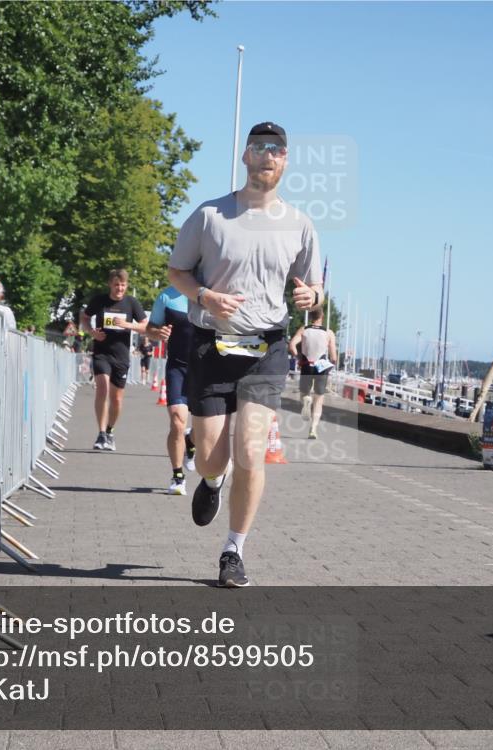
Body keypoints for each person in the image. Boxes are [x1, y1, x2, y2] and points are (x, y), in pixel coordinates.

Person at [168, 121, 323, 587]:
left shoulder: (300, 224)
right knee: (214, 457)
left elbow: (315, 288)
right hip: (211, 345)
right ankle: (211, 481)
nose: (267, 156)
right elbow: (177, 272)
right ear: (245, 157)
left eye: (276, 149)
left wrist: (310, 299)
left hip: (266, 348)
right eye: (259, 148)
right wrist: (206, 298)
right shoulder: (210, 216)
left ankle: (233, 550)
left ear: (285, 161)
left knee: (251, 452)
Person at [81, 269, 147, 451]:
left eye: (123, 285)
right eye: (117, 284)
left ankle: (110, 431)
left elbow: (145, 326)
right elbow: (85, 317)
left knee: (116, 399)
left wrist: (127, 325)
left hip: (121, 356)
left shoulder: (131, 303)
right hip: (102, 352)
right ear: (110, 284)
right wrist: (91, 332)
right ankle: (101, 434)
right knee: (102, 387)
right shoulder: (99, 301)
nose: (120, 288)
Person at [146, 285, 197, 495]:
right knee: (177, 421)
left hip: (205, 369)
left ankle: (191, 441)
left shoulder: (213, 290)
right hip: (178, 367)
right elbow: (150, 328)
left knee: (205, 428)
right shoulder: (168, 296)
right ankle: (177, 477)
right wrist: (159, 332)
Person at [289, 308, 337, 439]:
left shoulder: (304, 329)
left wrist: (298, 357)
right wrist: (330, 366)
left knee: (304, 393)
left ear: (310, 316)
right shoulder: (328, 333)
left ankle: (306, 399)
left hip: (306, 365)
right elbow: (333, 357)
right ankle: (313, 429)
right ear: (322, 316)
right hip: (321, 367)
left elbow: (292, 345)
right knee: (319, 399)